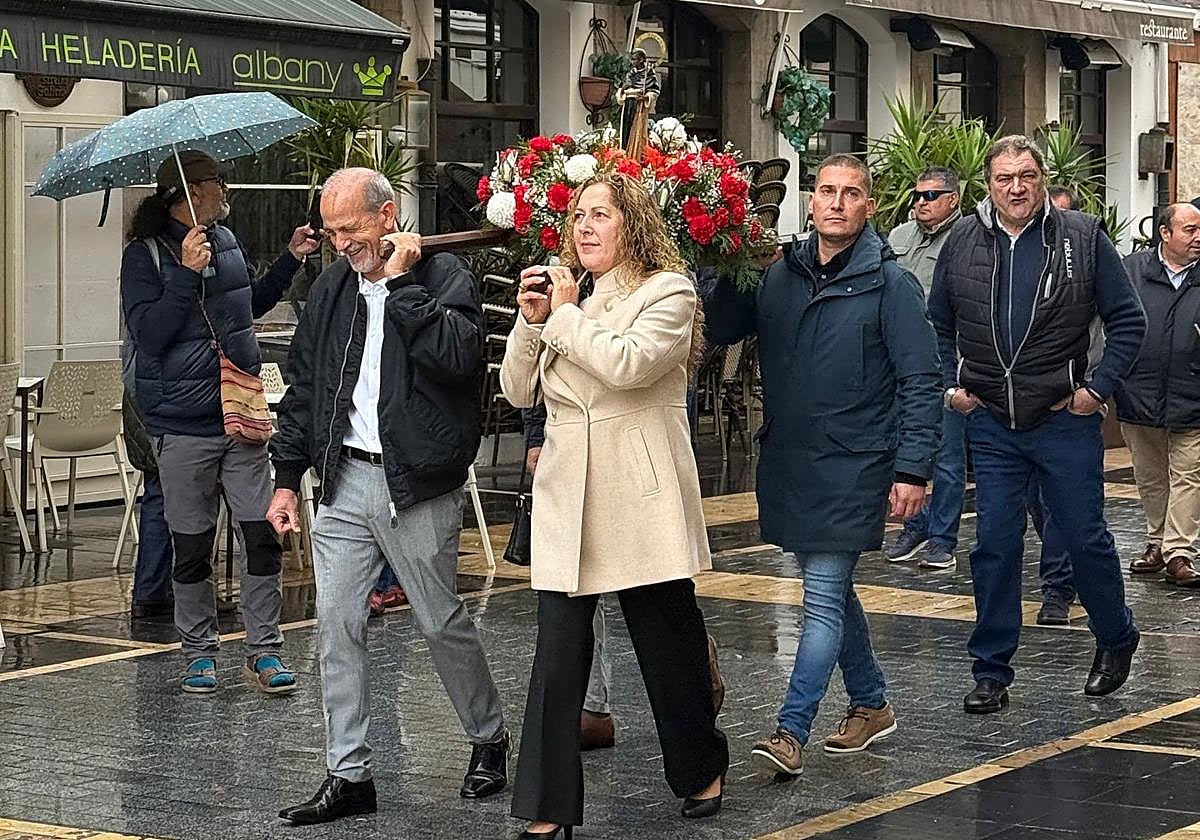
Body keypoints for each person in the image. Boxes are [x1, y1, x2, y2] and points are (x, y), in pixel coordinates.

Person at [268, 167, 509, 825]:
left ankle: (489, 738)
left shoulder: (440, 277)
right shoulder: (331, 288)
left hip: (416, 480)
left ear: (387, 215)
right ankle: (349, 774)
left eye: (351, 229)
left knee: (439, 619)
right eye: (333, 232)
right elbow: (306, 386)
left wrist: (400, 285)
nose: (342, 243)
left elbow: (461, 360)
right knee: (336, 624)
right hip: (343, 478)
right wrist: (287, 478)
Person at [502, 172, 728, 838]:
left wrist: (564, 316)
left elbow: (630, 366)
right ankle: (547, 808)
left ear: (634, 225)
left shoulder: (669, 292)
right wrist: (529, 319)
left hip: (638, 492)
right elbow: (518, 391)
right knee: (557, 656)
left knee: (668, 647)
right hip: (568, 494)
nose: (586, 227)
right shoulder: (569, 297)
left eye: (602, 214)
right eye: (578, 216)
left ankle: (699, 767)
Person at [707, 154, 942, 776]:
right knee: (832, 593)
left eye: (852, 193)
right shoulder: (778, 273)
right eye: (826, 192)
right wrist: (723, 258)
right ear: (810, 202)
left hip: (857, 463)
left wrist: (913, 469)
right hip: (791, 460)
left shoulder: (892, 286)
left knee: (819, 600)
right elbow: (723, 326)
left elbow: (922, 380)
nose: (837, 203)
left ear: (870, 206)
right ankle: (870, 703)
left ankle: (791, 730)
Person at [929, 135, 1144, 714]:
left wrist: (1095, 390)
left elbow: (1128, 321)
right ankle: (991, 671)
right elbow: (937, 324)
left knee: (1083, 537)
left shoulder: (1082, 236)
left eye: (1026, 175)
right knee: (994, 544)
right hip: (994, 422)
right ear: (987, 185)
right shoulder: (964, 240)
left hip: (1061, 419)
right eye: (1004, 178)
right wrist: (953, 386)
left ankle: (1116, 637)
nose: (1016, 188)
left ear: (1042, 177)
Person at [121, 150, 318, 694]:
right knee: (192, 544)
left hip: (242, 416)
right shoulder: (144, 257)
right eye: (217, 182)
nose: (225, 189)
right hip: (181, 424)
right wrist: (184, 274)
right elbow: (151, 334)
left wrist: (289, 260)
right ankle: (199, 652)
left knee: (261, 534)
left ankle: (265, 650)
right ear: (185, 194)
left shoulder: (225, 241)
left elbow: (247, 304)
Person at [521, 404, 615, 751]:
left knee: (654, 593)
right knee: (578, 572)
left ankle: (696, 665)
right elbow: (536, 365)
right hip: (569, 438)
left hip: (635, 435)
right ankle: (593, 706)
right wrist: (535, 433)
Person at [1117, 203, 1200, 587]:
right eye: (1190, 230)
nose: (1198, 237)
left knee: (1189, 475)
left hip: (1193, 392)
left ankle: (1179, 551)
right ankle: (1158, 541)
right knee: (1151, 476)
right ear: (1164, 234)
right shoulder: (1132, 270)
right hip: (1139, 390)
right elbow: (1110, 319)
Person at [885, 166, 964, 571]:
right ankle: (915, 525)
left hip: (942, 360)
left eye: (931, 196)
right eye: (916, 196)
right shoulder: (898, 237)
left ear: (953, 198)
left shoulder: (967, 238)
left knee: (948, 455)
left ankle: (942, 539)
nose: (920, 203)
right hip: (900, 361)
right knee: (906, 448)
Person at [617, 47, 659, 156]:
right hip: (628, 104)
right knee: (625, 130)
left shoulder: (649, 73)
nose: (632, 62)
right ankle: (625, 153)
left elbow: (655, 90)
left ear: (641, 60)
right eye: (632, 59)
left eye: (634, 59)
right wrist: (623, 89)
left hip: (639, 105)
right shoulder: (631, 73)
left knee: (637, 132)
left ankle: (635, 155)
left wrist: (645, 97)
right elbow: (623, 89)